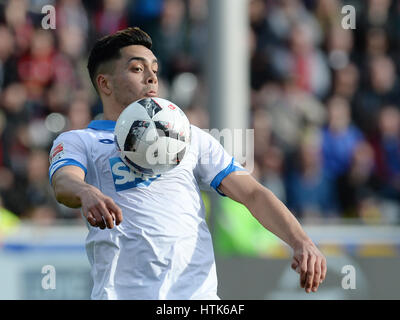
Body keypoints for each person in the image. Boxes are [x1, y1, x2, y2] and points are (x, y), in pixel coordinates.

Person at [49, 27, 326, 300]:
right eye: (137, 69)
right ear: (105, 83)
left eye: (155, 70)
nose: (151, 79)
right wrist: (85, 191)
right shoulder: (82, 140)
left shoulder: (188, 136)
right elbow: (64, 182)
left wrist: (301, 241)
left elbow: (253, 193)